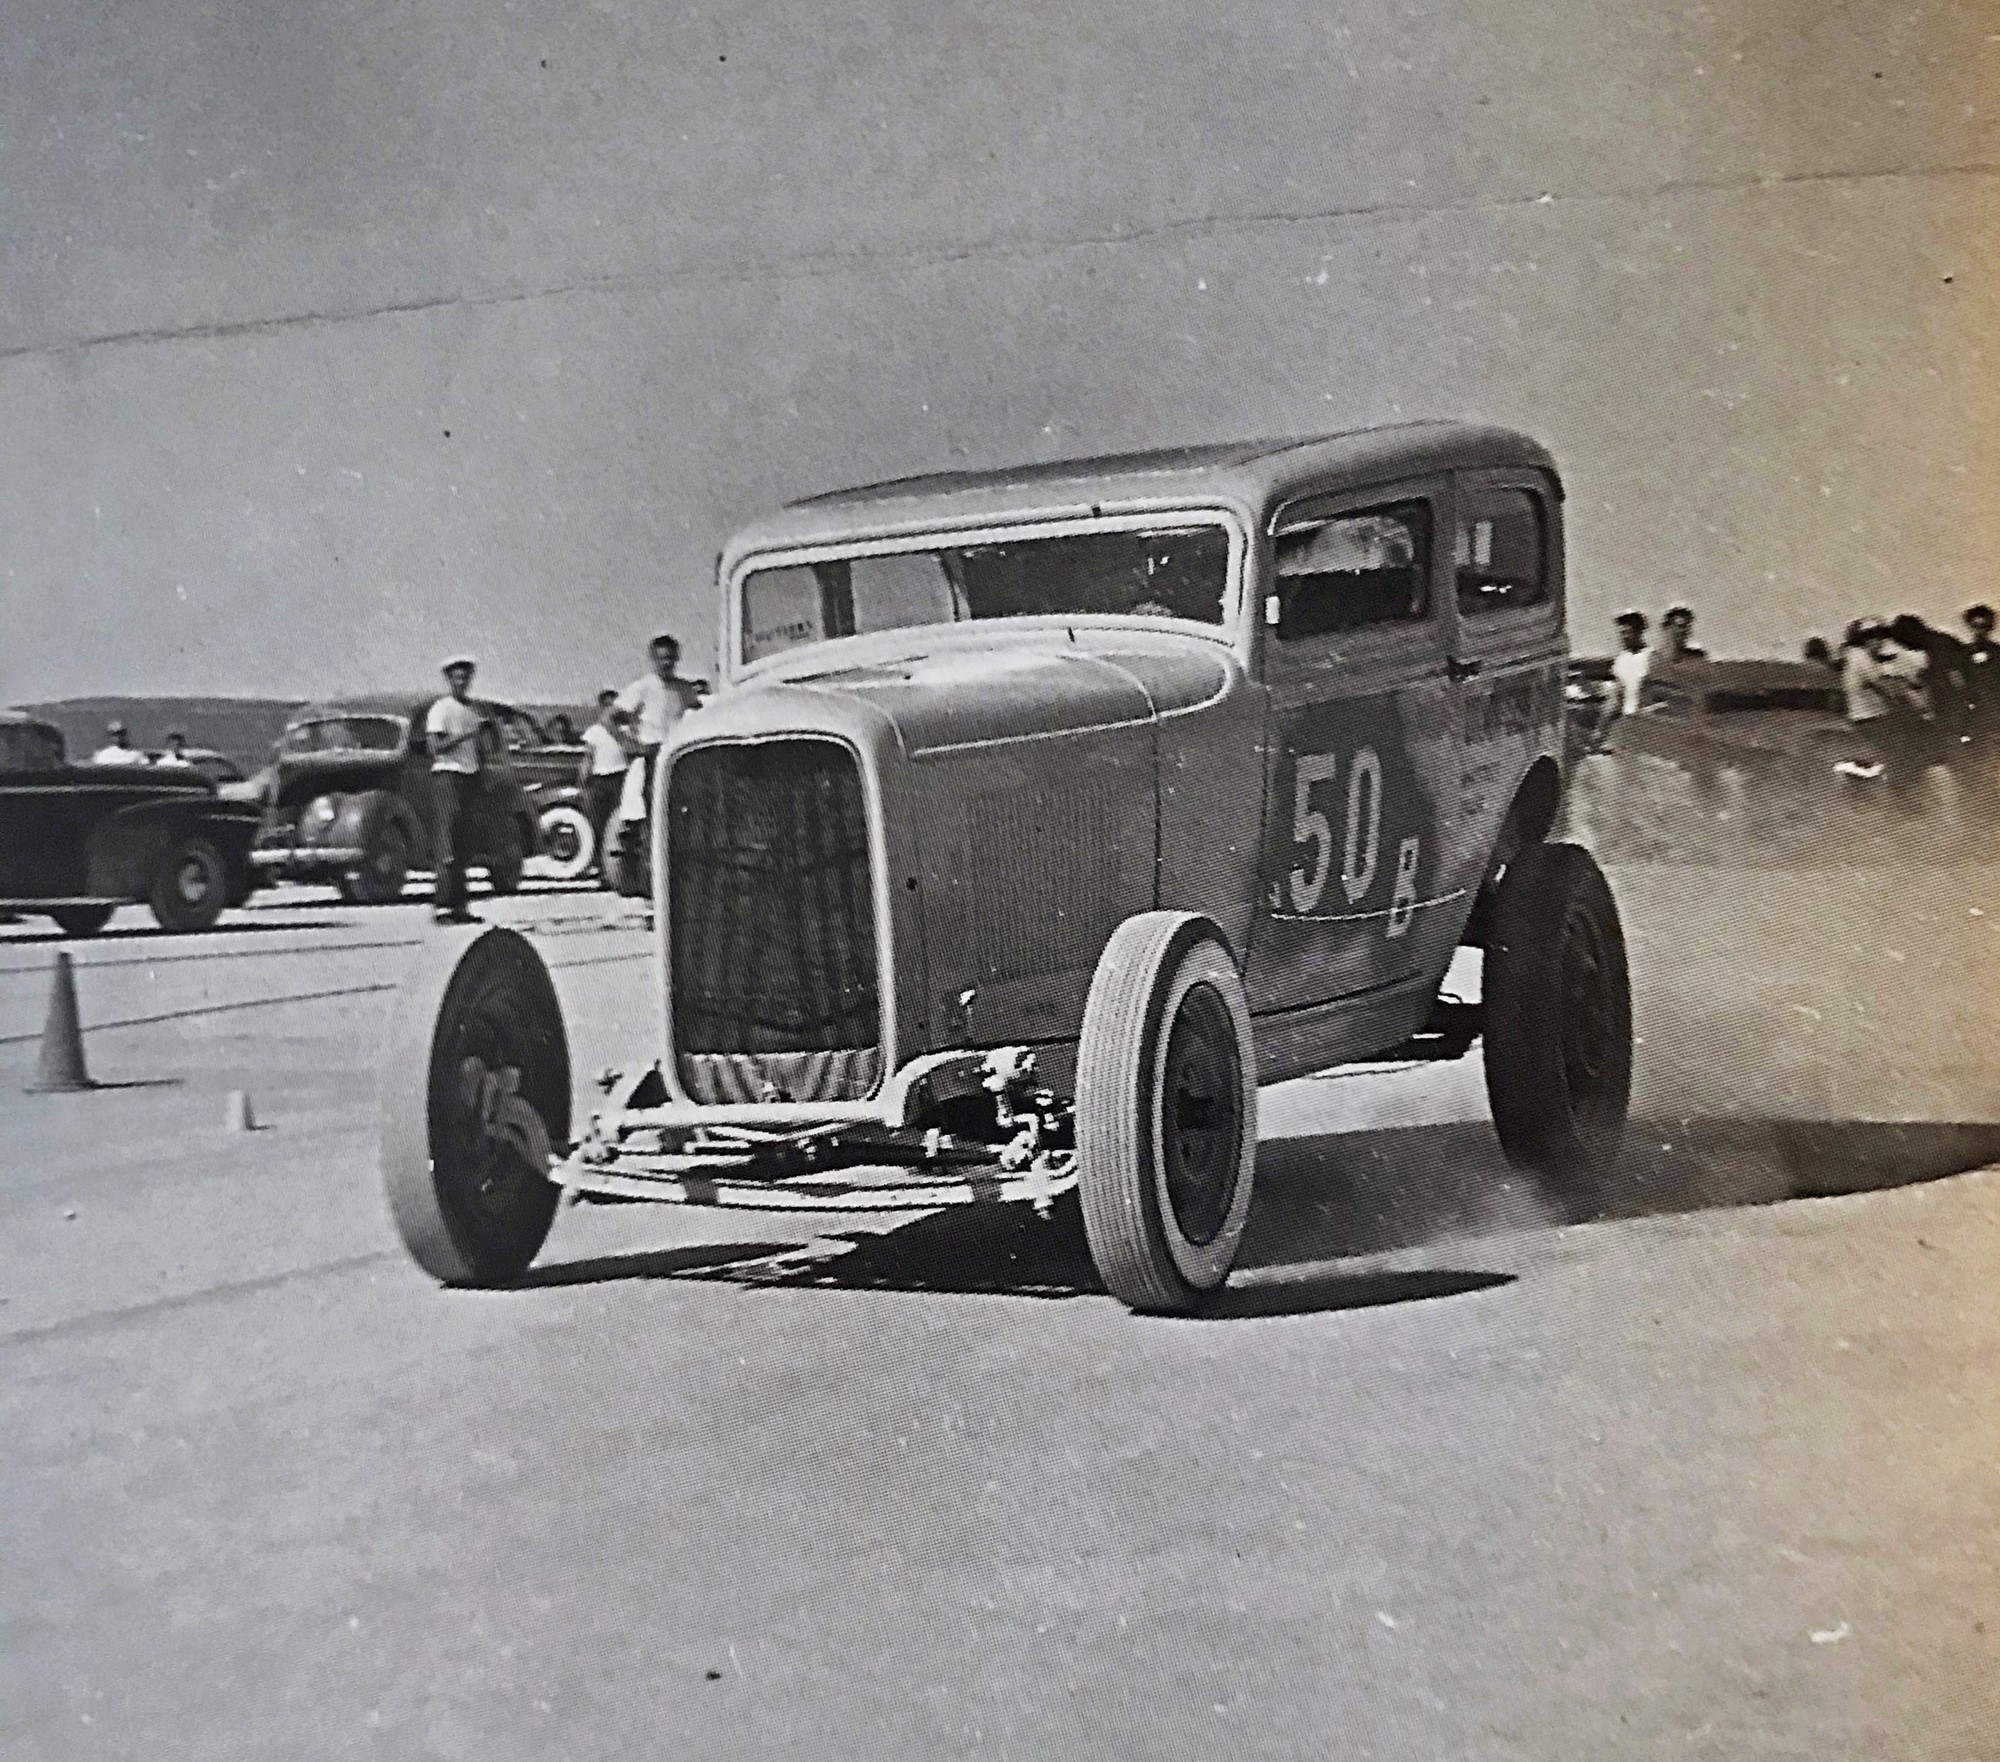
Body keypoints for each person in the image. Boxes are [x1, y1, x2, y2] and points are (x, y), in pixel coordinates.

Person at [614, 633, 706, 813]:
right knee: (653, 805)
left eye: (670, 658)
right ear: (653, 659)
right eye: (661, 659)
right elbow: (609, 719)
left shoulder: (684, 688)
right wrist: (634, 745)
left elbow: (699, 713)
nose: (666, 663)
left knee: (681, 805)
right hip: (652, 753)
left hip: (679, 753)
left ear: (677, 658)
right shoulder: (642, 686)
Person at [424, 656, 486, 923]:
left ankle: (460, 906)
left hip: (469, 777)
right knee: (447, 842)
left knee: (465, 844)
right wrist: (467, 735)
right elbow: (435, 748)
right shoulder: (441, 708)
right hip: (448, 776)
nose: (462, 682)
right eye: (457, 677)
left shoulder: (473, 710)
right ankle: (442, 906)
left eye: (465, 678)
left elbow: (479, 750)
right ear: (449, 680)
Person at [576, 689, 630, 879]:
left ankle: (614, 868)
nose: (610, 710)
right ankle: (598, 866)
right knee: (596, 823)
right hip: (599, 780)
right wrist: (583, 781)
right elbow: (588, 757)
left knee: (616, 824)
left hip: (619, 778)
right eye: (607, 706)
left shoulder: (625, 732)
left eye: (613, 706)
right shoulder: (595, 731)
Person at [1604, 610, 1653, 732]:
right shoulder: (1621, 659)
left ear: (1639, 631)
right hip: (1624, 721)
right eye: (1622, 632)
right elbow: (1617, 696)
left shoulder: (1652, 657)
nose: (1624, 637)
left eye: (1628, 632)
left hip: (1646, 722)